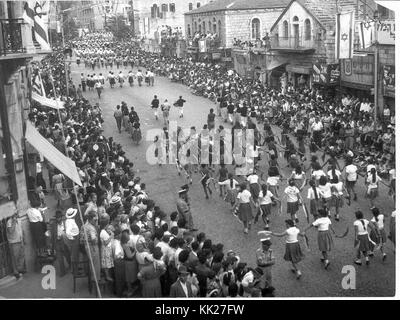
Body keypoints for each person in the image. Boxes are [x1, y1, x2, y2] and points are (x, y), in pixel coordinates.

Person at [82, 211, 101, 284]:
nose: (96, 221)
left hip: (87, 246)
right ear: (90, 219)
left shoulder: (86, 225)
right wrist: (96, 241)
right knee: (95, 263)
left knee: (92, 263)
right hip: (92, 247)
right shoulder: (91, 228)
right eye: (95, 220)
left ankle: (93, 278)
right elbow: (93, 239)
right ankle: (96, 279)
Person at [6, 210, 26, 278]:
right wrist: (14, 221)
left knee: (21, 256)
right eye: (15, 213)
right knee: (15, 258)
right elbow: (11, 231)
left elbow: (21, 229)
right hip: (14, 242)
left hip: (20, 240)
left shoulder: (19, 220)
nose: (17, 214)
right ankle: (15, 271)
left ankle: (20, 269)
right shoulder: (9, 222)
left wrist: (24, 238)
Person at [50, 210, 70, 277]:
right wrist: (52, 246)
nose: (58, 219)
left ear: (61, 217)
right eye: (57, 218)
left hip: (64, 242)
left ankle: (71, 266)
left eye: (59, 217)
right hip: (57, 243)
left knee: (67, 256)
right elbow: (52, 235)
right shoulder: (53, 224)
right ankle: (62, 272)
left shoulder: (65, 223)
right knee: (60, 259)